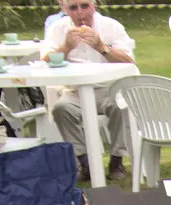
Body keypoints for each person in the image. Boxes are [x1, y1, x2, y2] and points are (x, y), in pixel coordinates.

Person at [41, 0, 135, 181]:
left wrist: (102, 47)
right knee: (61, 109)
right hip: (74, 89)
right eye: (73, 8)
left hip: (108, 87)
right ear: (64, 9)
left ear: (94, 6)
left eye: (85, 6)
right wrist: (66, 47)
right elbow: (45, 61)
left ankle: (117, 159)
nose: (80, 13)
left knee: (120, 106)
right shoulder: (57, 28)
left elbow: (128, 61)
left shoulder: (110, 26)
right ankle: (85, 162)